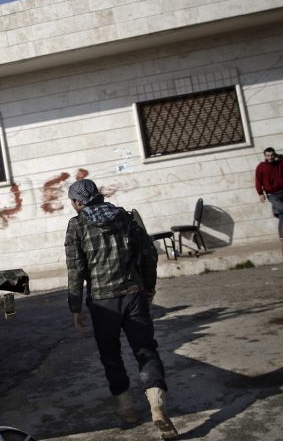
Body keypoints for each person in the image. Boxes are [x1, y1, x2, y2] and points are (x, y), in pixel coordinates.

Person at [64, 179, 178, 440]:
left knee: (110, 354)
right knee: (145, 350)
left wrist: (75, 306)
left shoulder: (77, 225)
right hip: (133, 295)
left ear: (79, 203)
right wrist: (148, 289)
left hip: (103, 304)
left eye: (72, 202)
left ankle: (127, 409)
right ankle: (157, 405)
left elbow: (76, 270)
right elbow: (149, 255)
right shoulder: (126, 217)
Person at [255, 147, 283, 238]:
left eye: (272, 155)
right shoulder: (261, 167)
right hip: (271, 194)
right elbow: (258, 181)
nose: (270, 157)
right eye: (268, 155)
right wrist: (260, 193)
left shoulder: (279, 164)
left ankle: (282, 236)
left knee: (282, 215)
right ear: (265, 156)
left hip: (282, 192)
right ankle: (276, 212)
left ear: (274, 155)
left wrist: (279, 156)